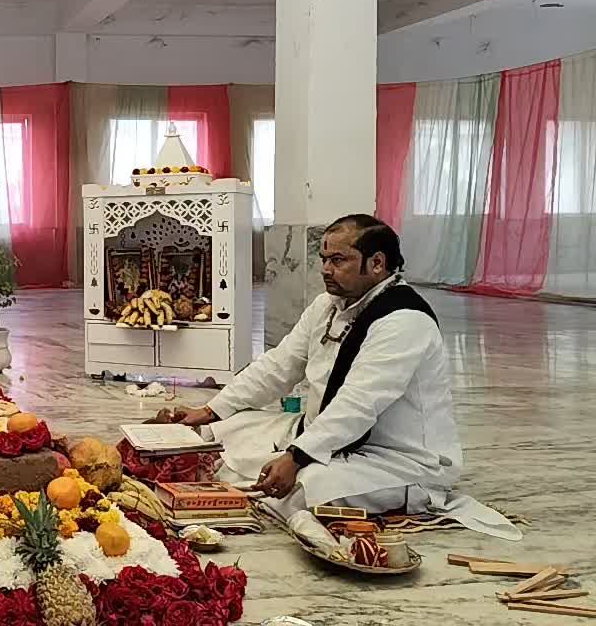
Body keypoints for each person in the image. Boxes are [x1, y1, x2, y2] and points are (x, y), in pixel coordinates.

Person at [164, 214, 518, 538]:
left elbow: (359, 404)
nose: (326, 269)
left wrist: (297, 457)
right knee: (220, 433)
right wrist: (211, 410)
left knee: (307, 486)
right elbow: (279, 365)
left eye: (338, 260)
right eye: (324, 259)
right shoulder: (327, 305)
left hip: (393, 457)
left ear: (377, 263)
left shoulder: (405, 320)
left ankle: (407, 492)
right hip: (321, 434)